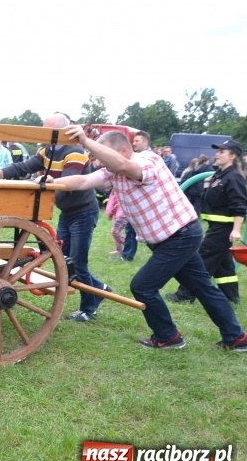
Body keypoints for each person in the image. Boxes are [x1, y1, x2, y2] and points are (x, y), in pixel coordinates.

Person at [49, 126, 247, 351]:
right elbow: (84, 182)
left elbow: (124, 166)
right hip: (174, 237)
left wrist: (85, 140)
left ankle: (168, 336)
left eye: (104, 154)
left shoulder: (148, 161)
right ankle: (237, 337)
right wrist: (47, 183)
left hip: (180, 235)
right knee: (202, 287)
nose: (101, 161)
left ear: (123, 150)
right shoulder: (113, 171)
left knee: (142, 287)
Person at [0, 113, 110, 322]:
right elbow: (24, 166)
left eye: (49, 130)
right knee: (63, 259)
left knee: (77, 262)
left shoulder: (75, 151)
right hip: (68, 213)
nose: (45, 134)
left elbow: (65, 185)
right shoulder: (47, 150)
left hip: (83, 212)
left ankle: (89, 308)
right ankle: (99, 288)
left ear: (63, 131)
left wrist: (43, 183)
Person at [166, 140, 247, 306]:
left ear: (232, 156)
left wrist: (236, 230)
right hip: (215, 227)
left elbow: (240, 206)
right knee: (223, 266)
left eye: (222, 152)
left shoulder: (234, 177)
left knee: (201, 260)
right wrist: (208, 185)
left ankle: (185, 294)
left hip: (223, 229)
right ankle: (231, 296)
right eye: (217, 151)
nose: (217, 154)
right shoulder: (219, 175)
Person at [121, 130, 152, 261]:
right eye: (133, 141)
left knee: (144, 232)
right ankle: (127, 254)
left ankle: (128, 254)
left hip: (145, 204)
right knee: (132, 230)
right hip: (138, 205)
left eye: (137, 141)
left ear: (145, 142)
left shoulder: (147, 158)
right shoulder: (137, 157)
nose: (134, 143)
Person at [106, 189, 128, 260]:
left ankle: (127, 244)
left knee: (115, 231)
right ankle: (119, 250)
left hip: (123, 214)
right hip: (118, 213)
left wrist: (109, 214)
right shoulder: (114, 191)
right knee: (113, 231)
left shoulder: (117, 190)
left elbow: (111, 205)